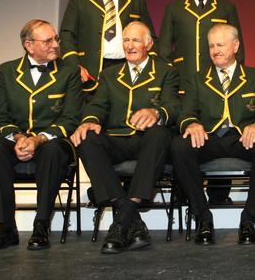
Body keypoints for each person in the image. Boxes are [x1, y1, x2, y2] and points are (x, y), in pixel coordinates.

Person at [71, 21, 179, 254]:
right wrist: (90, 119)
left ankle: (120, 224)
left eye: (136, 40)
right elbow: (97, 105)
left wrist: (157, 112)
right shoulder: (109, 74)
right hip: (118, 139)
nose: (130, 46)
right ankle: (131, 218)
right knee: (86, 138)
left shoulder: (166, 72)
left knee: (159, 133)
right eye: (126, 40)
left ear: (149, 44)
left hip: (148, 141)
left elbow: (173, 106)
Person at [171, 24, 255, 245]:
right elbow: (186, 113)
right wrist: (191, 124)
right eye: (211, 46)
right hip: (209, 139)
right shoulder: (197, 78)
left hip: (243, 140)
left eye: (220, 44)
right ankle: (203, 218)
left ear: (236, 45)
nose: (215, 50)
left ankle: (249, 219)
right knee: (179, 146)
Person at [0, 19, 83, 251]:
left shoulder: (69, 72)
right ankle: (6, 227)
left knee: (53, 152)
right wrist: (18, 138)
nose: (55, 45)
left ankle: (41, 225)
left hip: (52, 140)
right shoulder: (5, 72)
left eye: (56, 39)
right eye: (48, 41)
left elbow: (70, 118)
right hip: (17, 139)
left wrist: (38, 139)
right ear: (29, 45)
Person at [156, 0, 244, 204]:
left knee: (221, 134)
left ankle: (219, 194)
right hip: (184, 85)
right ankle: (184, 192)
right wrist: (168, 81)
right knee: (184, 139)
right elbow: (164, 48)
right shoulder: (174, 8)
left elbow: (240, 50)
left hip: (218, 87)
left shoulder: (226, 7)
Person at [60, 0, 155, 93]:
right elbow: (66, 35)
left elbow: (150, 37)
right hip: (89, 73)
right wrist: (75, 66)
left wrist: (148, 67)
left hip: (126, 69)